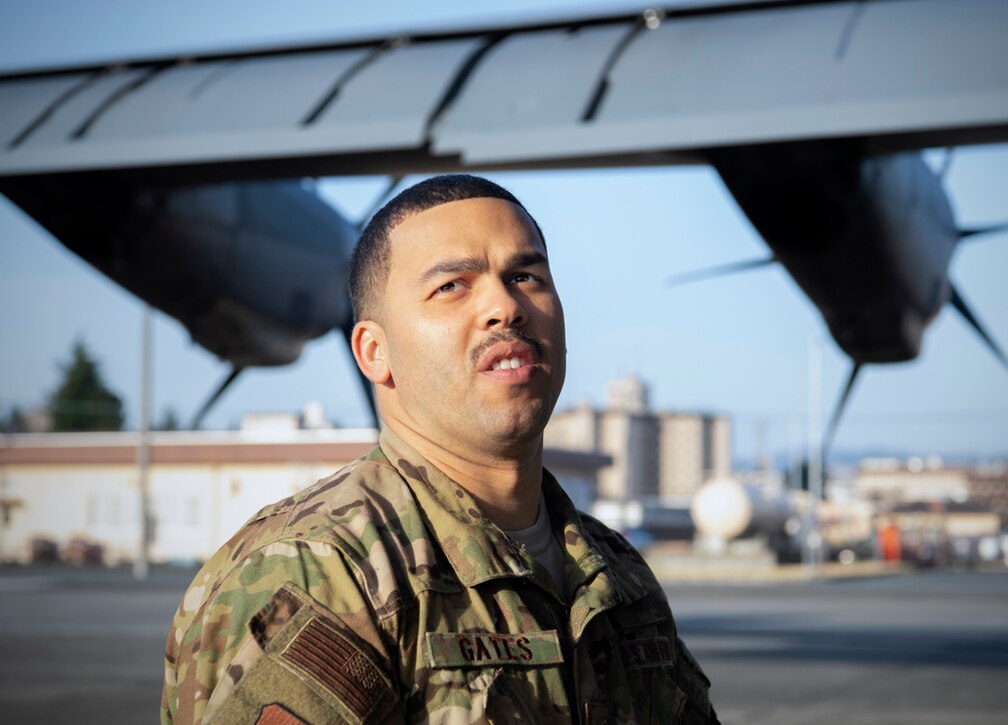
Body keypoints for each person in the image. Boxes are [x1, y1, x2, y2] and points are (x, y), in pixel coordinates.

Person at [161, 175, 718, 724]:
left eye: (525, 275)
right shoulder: (318, 574)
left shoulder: (616, 575)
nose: (505, 306)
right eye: (452, 285)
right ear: (375, 352)